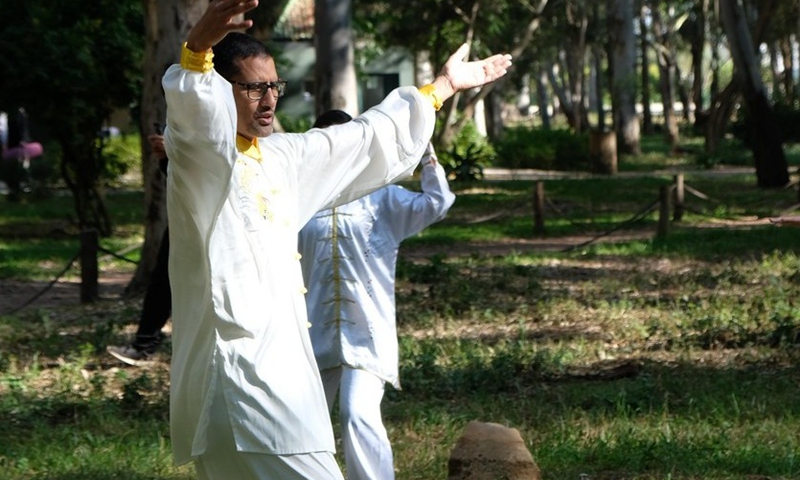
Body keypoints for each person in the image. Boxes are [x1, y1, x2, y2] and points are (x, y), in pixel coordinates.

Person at [161, 1, 511, 478]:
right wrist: (198, 49)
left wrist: (442, 88)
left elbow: (360, 141)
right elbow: (196, 123)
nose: (268, 100)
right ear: (222, 92)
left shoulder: (281, 158)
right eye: (252, 88)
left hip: (278, 380)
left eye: (274, 86)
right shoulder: (202, 161)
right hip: (240, 380)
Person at [298, 110, 455, 480]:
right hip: (308, 336)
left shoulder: (381, 198)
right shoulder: (299, 199)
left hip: (367, 338)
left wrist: (424, 148)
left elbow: (437, 202)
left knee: (358, 413)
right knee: (301, 428)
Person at [107, 133, 171, 366]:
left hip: (216, 222)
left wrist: (172, 153)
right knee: (163, 282)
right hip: (186, 219)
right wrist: (169, 157)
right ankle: (144, 346)